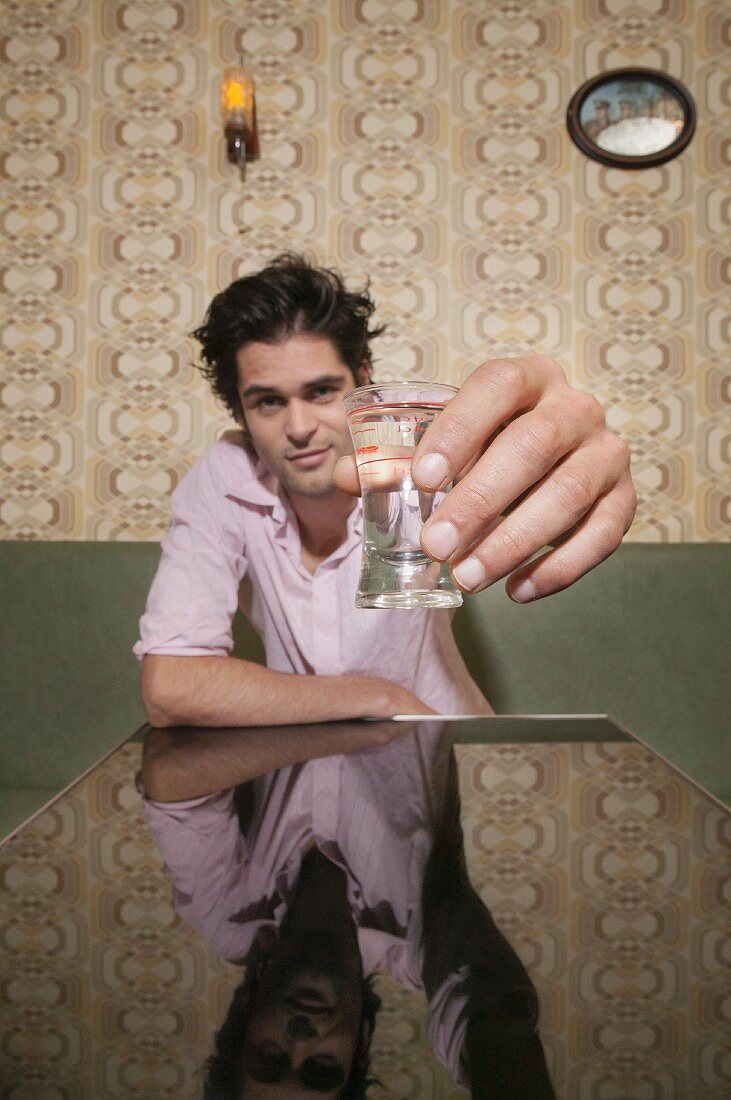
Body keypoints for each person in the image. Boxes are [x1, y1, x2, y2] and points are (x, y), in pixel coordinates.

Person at [135, 253, 635, 726]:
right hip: (297, 777)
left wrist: (571, 468)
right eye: (268, 402)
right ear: (240, 414)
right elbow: (171, 686)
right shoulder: (225, 477)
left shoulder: (419, 452)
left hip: (446, 756)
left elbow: (514, 473)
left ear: (362, 382)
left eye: (322, 391)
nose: (300, 426)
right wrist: (381, 699)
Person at [139, 718, 556, 1098]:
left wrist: (352, 729)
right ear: (360, 1046)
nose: (300, 1039)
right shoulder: (419, 939)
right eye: (321, 1069)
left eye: (269, 1058)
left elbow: (167, 766)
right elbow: (497, 1026)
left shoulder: (225, 915)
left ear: (244, 1018)